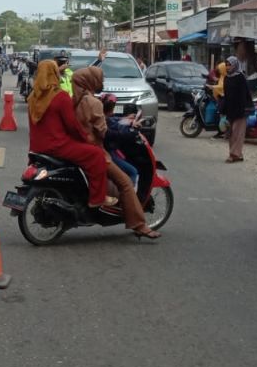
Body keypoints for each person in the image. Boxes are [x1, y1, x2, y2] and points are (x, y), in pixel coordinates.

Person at [71, 67, 161, 239]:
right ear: (91, 81)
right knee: (126, 182)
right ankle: (139, 225)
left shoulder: (74, 101)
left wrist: (120, 121)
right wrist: (124, 132)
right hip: (96, 151)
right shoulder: (93, 103)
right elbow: (103, 131)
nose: (102, 82)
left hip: (78, 148)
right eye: (99, 78)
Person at [27, 60, 117, 210]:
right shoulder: (60, 97)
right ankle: (97, 198)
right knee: (96, 154)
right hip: (57, 146)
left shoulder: (32, 98)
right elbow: (72, 126)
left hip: (36, 147)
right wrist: (85, 139)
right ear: (55, 74)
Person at [221, 56, 251, 163]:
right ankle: (238, 154)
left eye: (230, 65)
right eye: (227, 65)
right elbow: (226, 94)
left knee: (238, 133)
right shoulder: (226, 78)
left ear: (235, 65)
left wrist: (243, 109)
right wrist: (223, 109)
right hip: (230, 110)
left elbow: (244, 94)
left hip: (240, 110)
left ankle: (233, 154)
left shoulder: (240, 77)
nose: (228, 67)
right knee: (231, 133)